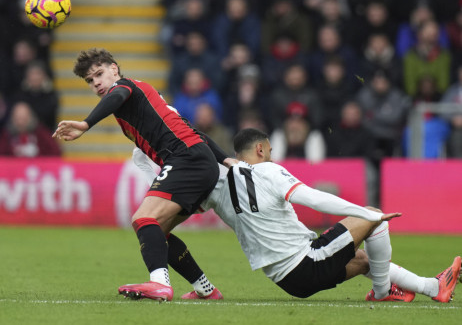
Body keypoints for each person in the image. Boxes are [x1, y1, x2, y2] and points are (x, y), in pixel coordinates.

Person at [134, 128, 461, 302]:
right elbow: (314, 199)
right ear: (261, 149)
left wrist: (150, 159)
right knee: (373, 217)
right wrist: (364, 213)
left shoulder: (215, 187)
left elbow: (185, 197)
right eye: (270, 150)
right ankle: (381, 293)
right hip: (306, 261)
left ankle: (432, 287)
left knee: (363, 260)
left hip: (286, 281)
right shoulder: (270, 172)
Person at [52, 48, 234, 302]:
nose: (96, 83)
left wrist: (85, 124)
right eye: (90, 81)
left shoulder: (126, 87)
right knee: (158, 231)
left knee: (143, 218)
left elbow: (118, 93)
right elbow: (193, 131)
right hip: (198, 159)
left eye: (99, 74)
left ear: (114, 69)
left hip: (187, 159)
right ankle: (206, 289)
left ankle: (159, 284)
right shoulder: (151, 102)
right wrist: (225, 158)